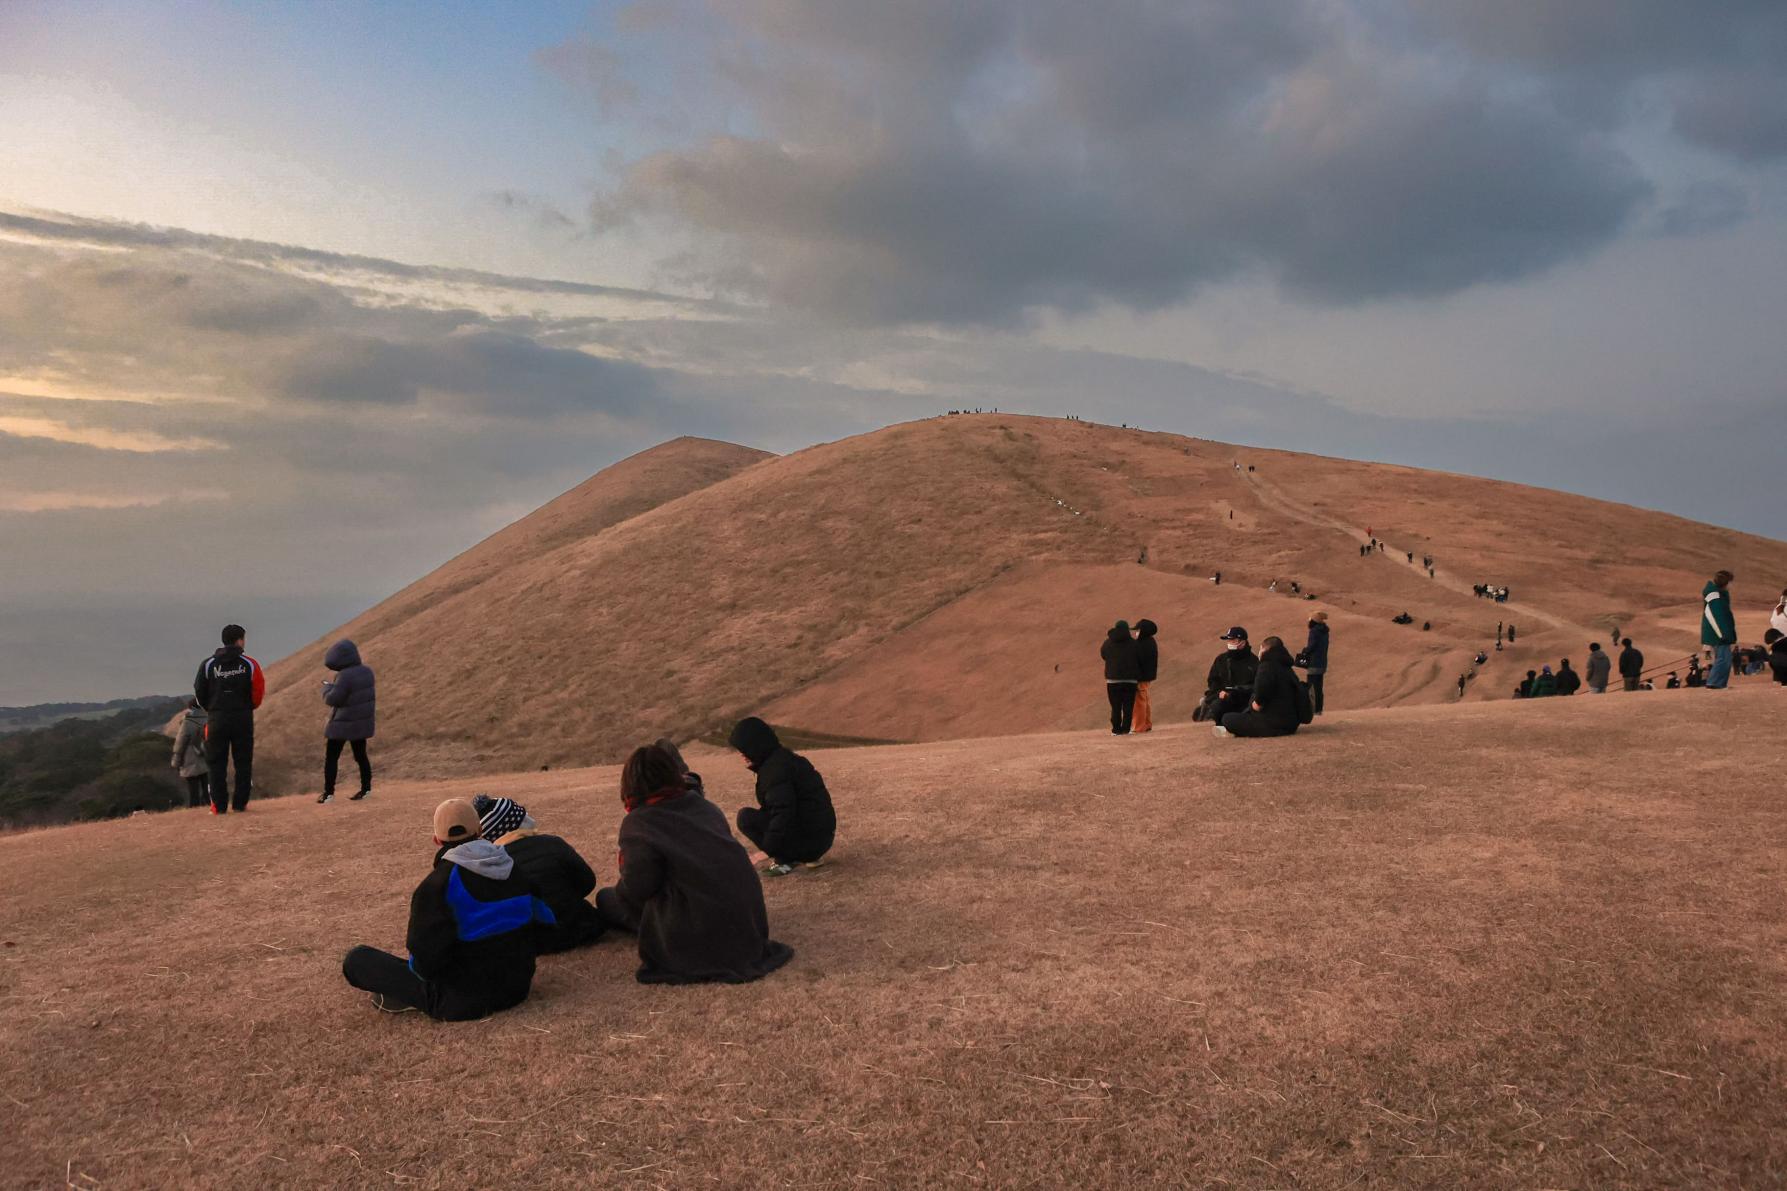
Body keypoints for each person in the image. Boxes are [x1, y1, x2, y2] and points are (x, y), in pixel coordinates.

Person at [594, 745, 794, 984]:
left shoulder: (639, 823)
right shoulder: (704, 807)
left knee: (606, 899)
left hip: (698, 931)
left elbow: (639, 887)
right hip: (747, 927)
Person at [341, 798, 554, 1019]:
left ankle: (412, 998)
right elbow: (545, 924)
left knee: (357, 960)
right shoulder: (514, 869)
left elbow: (423, 965)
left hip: (462, 1000)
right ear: (480, 829)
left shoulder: (436, 886)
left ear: (436, 839)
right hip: (518, 988)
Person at [471, 794, 604, 952]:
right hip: (579, 927)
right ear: (516, 822)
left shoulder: (489, 865)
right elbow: (587, 882)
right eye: (522, 813)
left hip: (533, 941)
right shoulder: (553, 844)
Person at [728, 717, 837, 874]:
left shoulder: (774, 771)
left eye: (744, 749)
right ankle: (806, 856)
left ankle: (785, 860)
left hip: (809, 843)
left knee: (745, 817)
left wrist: (767, 851)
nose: (742, 754)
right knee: (769, 813)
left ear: (755, 745)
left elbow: (783, 813)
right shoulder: (786, 759)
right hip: (822, 838)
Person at [193, 624, 264, 814]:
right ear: (240, 640)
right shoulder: (249, 664)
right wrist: (249, 706)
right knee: (243, 761)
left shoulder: (208, 664)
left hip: (217, 717)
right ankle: (240, 804)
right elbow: (258, 690)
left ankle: (219, 805)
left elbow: (199, 692)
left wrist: (212, 708)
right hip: (242, 717)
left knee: (216, 763)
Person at [317, 639, 375, 804]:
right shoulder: (367, 672)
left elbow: (334, 699)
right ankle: (366, 789)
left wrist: (327, 688)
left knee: (332, 758)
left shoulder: (344, 676)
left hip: (342, 723)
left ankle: (328, 793)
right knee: (361, 756)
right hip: (360, 722)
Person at [1213, 636, 1300, 738]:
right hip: (1291, 724)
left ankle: (1229, 730)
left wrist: (1255, 704)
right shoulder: (1287, 668)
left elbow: (1261, 694)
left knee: (1227, 718)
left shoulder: (1266, 667)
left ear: (1266, 649)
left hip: (1273, 724)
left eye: (1261, 648)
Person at [1197, 627, 1258, 722]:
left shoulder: (1254, 662)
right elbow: (1213, 681)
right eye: (1229, 640)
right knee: (1215, 707)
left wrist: (1237, 692)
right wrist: (1219, 693)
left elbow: (1256, 685)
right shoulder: (1221, 660)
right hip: (1222, 699)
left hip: (1244, 700)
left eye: (1233, 640)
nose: (1230, 643)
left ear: (1243, 641)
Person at [1100, 620, 1141, 735]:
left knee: (1115, 706)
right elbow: (1139, 658)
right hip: (1130, 680)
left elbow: (1103, 655)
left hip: (1113, 680)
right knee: (1128, 706)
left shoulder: (1107, 643)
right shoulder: (1134, 643)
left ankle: (1116, 730)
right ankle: (1125, 729)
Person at [170, 699, 210, 808]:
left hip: (190, 756)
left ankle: (195, 806)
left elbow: (180, 742)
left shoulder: (188, 722)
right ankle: (209, 803)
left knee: (193, 786)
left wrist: (176, 761)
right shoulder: (208, 719)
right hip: (205, 754)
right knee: (206, 783)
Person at [1702, 569, 1737, 689]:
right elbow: (1716, 617)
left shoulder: (1719, 595)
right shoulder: (1715, 597)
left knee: (1725, 659)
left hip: (1719, 633)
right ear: (1726, 582)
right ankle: (1714, 683)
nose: (1732, 585)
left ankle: (1720, 684)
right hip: (1718, 634)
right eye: (1731, 582)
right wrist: (1723, 634)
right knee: (1723, 659)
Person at [1295, 612, 1329, 716]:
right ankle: (1319, 709)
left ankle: (1313, 709)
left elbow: (1312, 646)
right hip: (1322, 663)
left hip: (1313, 663)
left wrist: (1305, 650)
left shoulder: (1314, 632)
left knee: (1312, 687)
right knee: (1319, 687)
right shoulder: (1325, 631)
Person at [1132, 619, 1159, 733]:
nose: (1135, 633)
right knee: (1145, 700)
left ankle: (1139, 726)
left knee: (1139, 702)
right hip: (1147, 676)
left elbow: (1137, 661)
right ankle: (1146, 724)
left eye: (1137, 630)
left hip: (1140, 676)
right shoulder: (1151, 641)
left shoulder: (1141, 644)